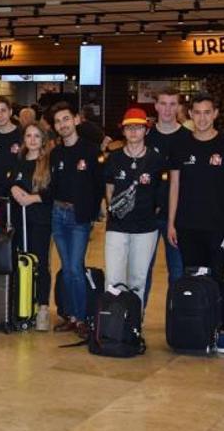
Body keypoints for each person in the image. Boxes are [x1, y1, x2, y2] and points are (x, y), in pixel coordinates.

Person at [166, 93, 224, 354]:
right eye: (197, 112)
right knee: (192, 278)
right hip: (187, 225)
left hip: (219, 226)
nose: (201, 118)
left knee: (217, 279)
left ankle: (221, 329)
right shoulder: (181, 146)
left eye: (207, 112)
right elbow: (174, 186)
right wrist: (171, 223)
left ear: (215, 114)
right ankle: (195, 328)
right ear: (190, 115)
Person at [101, 108, 166, 313]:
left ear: (146, 131)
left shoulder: (156, 160)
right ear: (124, 131)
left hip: (146, 228)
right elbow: (109, 189)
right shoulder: (114, 158)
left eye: (138, 128)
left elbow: (161, 192)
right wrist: (116, 210)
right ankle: (112, 322)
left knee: (138, 278)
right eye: (129, 128)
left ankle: (134, 323)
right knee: (113, 277)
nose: (134, 132)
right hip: (117, 226)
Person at [48, 103, 103, 335]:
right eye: (58, 121)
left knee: (74, 267)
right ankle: (70, 315)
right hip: (58, 215)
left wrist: (91, 214)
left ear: (76, 120)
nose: (63, 124)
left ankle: (81, 318)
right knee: (66, 268)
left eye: (66, 119)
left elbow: (98, 186)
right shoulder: (56, 153)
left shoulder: (91, 151)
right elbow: (53, 186)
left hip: (79, 217)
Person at [8, 123, 54, 330]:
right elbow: (9, 182)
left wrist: (34, 198)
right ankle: (22, 302)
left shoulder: (48, 163)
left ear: (43, 139)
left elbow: (54, 191)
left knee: (40, 263)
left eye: (37, 136)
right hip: (19, 221)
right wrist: (14, 188)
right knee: (21, 261)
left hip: (40, 221)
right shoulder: (18, 162)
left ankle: (42, 307)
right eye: (29, 136)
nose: (33, 140)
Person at [144, 88, 188, 288]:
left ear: (179, 107)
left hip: (179, 217)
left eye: (172, 104)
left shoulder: (189, 138)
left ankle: (176, 319)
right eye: (163, 103)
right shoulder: (145, 138)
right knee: (142, 271)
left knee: (178, 273)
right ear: (156, 106)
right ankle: (137, 318)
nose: (168, 109)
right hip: (148, 215)